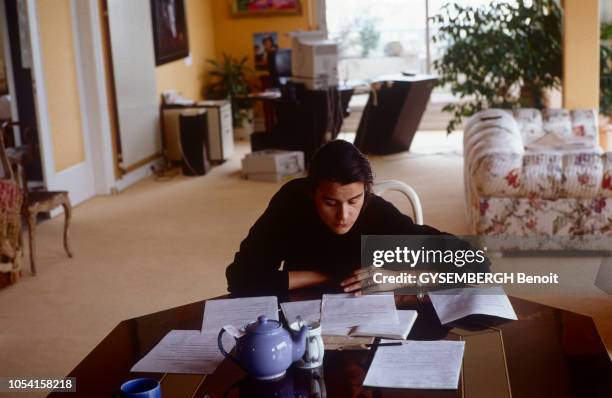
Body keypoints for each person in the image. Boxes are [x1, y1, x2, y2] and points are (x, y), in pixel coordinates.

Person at [226, 140, 487, 297]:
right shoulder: (291, 202)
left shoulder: (376, 214)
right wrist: (325, 276)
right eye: (330, 203)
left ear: (366, 191)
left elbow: (476, 264)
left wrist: (400, 277)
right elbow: (239, 278)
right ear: (311, 192)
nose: (343, 216)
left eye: (353, 201)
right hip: (302, 323)